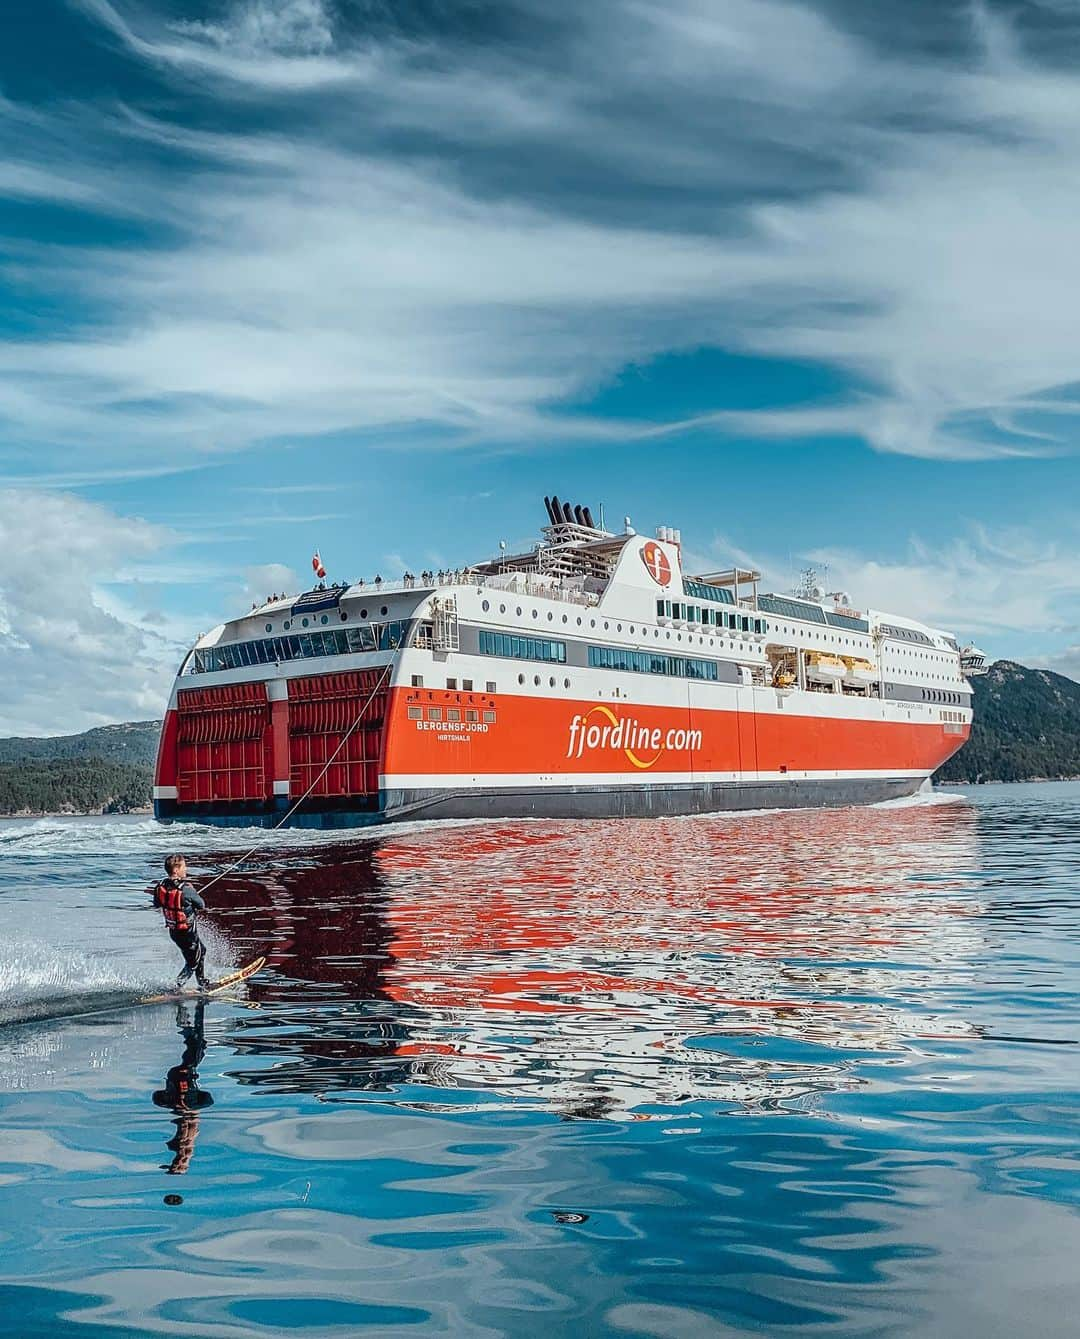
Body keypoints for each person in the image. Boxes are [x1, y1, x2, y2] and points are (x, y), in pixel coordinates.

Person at [152, 1000, 213, 1175]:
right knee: (198, 1042)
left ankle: (186, 1012)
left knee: (198, 1043)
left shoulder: (184, 1109)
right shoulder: (188, 1106)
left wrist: (181, 1160)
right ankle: (187, 1013)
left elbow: (187, 1136)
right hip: (180, 1077)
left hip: (181, 1076)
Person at [152, 854, 209, 991]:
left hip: (174, 932)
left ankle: (201, 982)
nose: (186, 869)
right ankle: (176, 986)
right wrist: (192, 893)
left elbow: (156, 904)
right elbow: (202, 905)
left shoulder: (160, 887)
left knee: (201, 952)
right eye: (184, 866)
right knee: (193, 962)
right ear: (176, 870)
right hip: (188, 933)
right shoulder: (186, 889)